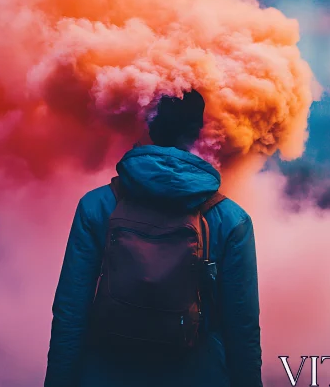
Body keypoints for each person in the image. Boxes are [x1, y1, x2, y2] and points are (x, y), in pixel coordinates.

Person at [44, 90, 262, 387]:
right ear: (198, 132)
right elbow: (243, 328)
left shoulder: (98, 205)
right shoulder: (230, 220)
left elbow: (71, 311)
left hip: (106, 373)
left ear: (149, 126)